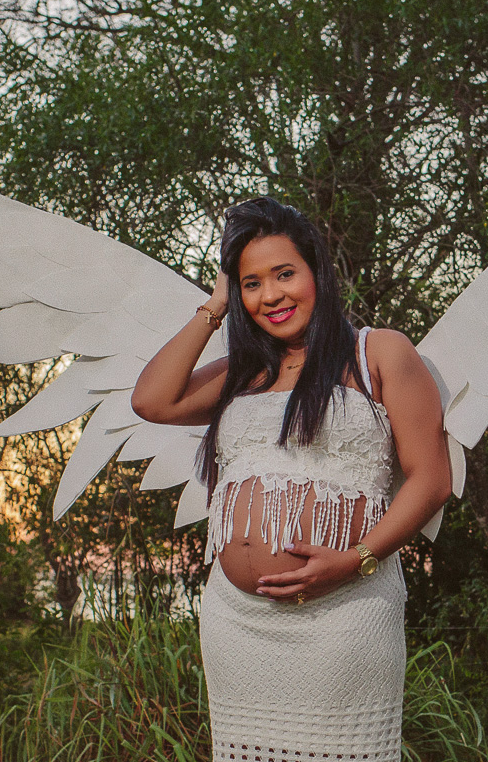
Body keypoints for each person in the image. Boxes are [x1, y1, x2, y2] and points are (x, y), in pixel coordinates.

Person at [132, 196, 452, 761]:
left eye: (285, 274)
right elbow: (152, 401)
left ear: (316, 272)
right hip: (237, 626)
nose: (272, 295)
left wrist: (353, 562)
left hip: (345, 615)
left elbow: (431, 479)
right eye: (251, 283)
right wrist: (215, 305)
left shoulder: (378, 352)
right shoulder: (245, 370)